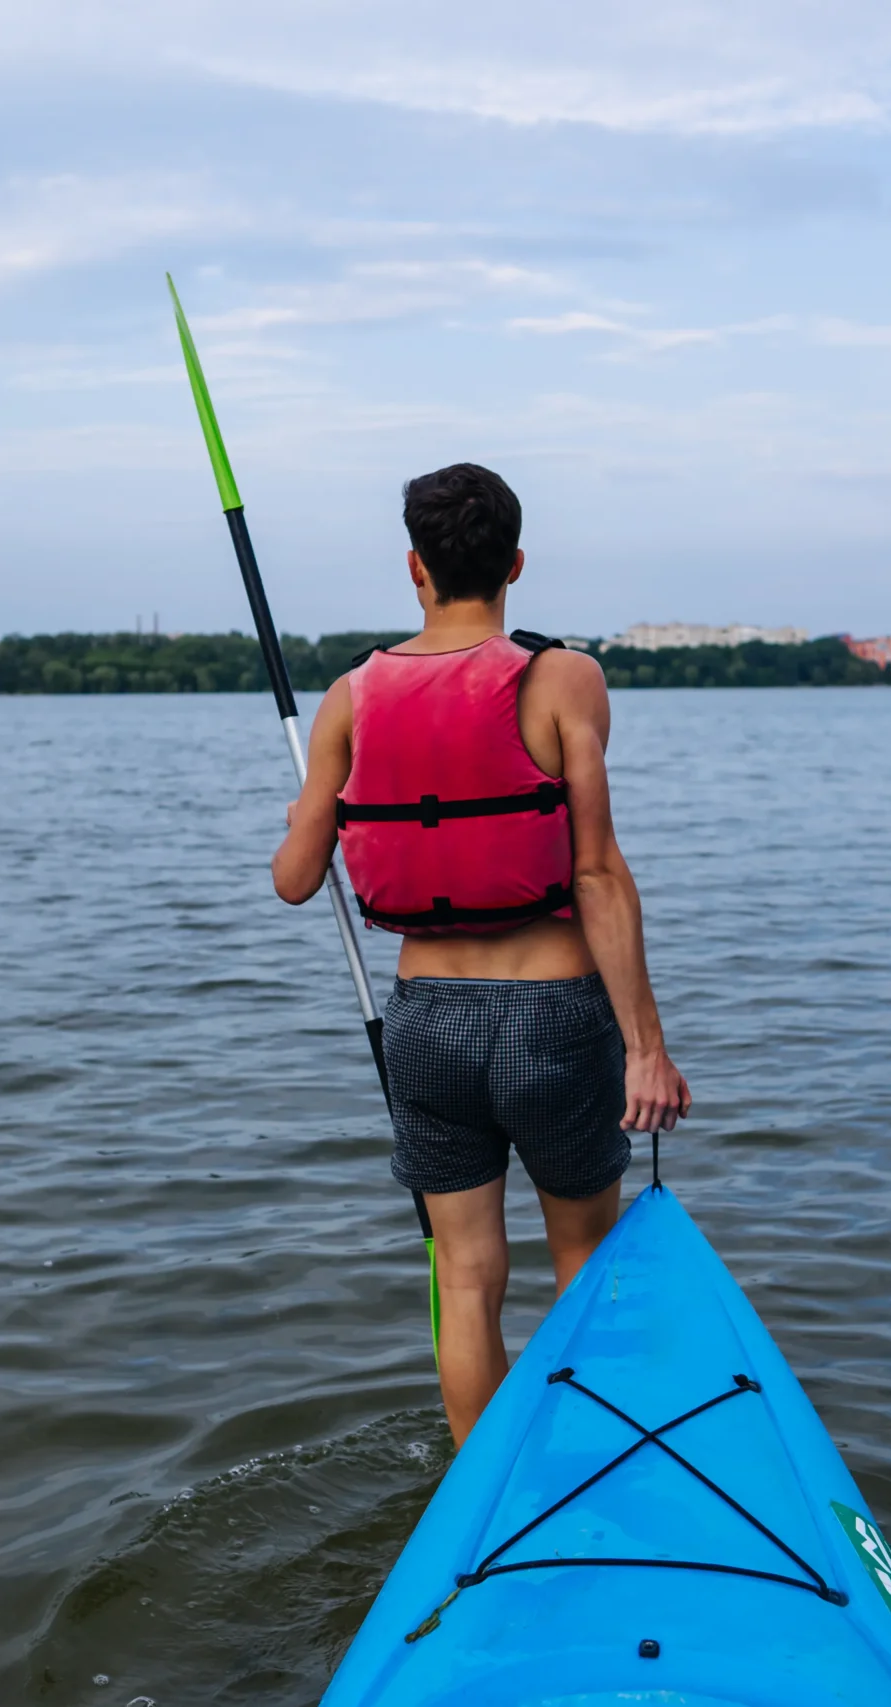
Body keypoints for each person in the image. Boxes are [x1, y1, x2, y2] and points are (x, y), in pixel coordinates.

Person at [271, 462, 691, 1446]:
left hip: (427, 1026)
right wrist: (645, 1047)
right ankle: (590, 1473)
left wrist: (308, 803)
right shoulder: (563, 679)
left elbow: (295, 879)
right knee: (585, 1262)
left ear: (413, 567)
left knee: (463, 1280)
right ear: (514, 563)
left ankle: (482, 1497)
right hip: (552, 1017)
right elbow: (597, 873)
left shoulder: (348, 697)